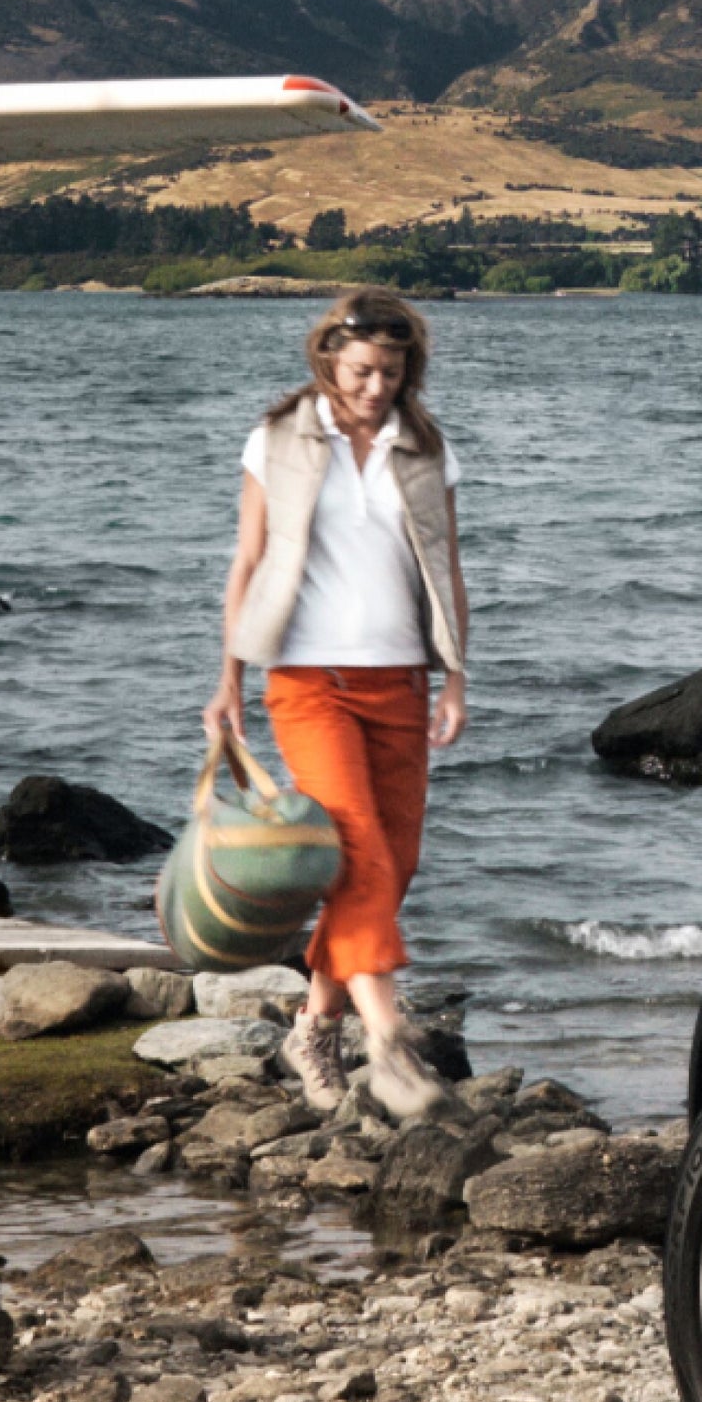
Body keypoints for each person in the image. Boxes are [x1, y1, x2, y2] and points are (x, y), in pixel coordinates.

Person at [205, 284, 469, 1121]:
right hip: (308, 681)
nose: (375, 387)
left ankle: (314, 1027)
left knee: (394, 864)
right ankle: (389, 1043)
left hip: (402, 680)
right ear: (328, 360)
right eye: (361, 371)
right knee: (357, 850)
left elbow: (446, 566)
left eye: (390, 372)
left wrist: (456, 675)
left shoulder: (425, 446)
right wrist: (228, 679)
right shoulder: (277, 439)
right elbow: (248, 561)